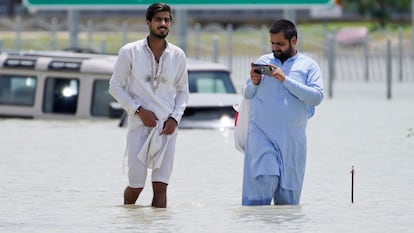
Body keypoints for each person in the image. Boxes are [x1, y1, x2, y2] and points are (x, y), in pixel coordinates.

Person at [109, 3, 189, 208]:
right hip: (139, 126)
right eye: (158, 19)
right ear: (148, 23)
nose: (163, 23)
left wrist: (174, 119)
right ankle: (128, 221)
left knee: (161, 185)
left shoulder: (177, 55)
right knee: (136, 185)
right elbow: (115, 87)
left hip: (166, 128)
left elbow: (183, 91)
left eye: (167, 19)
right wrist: (138, 110)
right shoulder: (129, 51)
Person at [241, 19, 324, 205]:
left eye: (280, 44)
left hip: (293, 140)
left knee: (288, 203)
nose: (275, 48)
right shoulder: (264, 62)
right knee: (265, 179)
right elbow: (247, 93)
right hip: (262, 135)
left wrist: (284, 79)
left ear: (293, 40)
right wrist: (253, 82)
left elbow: (317, 97)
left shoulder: (309, 66)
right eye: (272, 43)